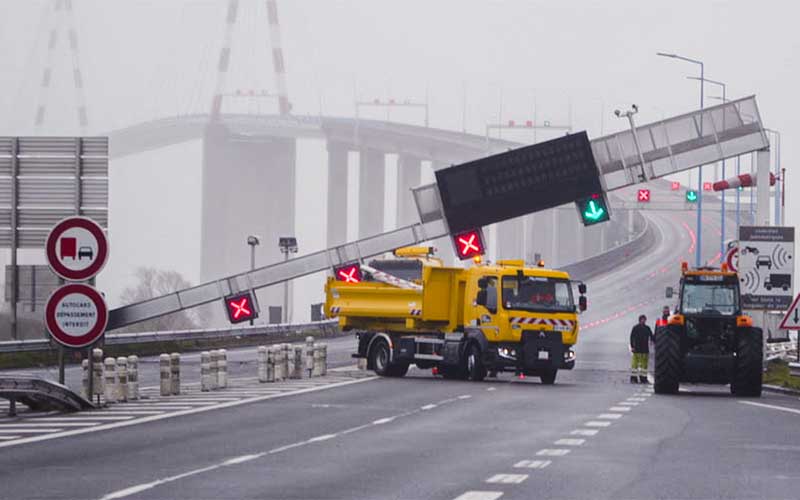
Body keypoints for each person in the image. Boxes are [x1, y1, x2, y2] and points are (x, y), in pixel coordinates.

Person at [630, 314, 654, 384]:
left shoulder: (647, 328)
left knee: (644, 365)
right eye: (642, 320)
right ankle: (634, 378)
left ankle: (643, 378)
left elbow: (651, 336)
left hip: (645, 350)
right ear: (639, 320)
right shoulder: (636, 328)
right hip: (637, 349)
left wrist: (653, 340)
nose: (643, 321)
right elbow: (632, 337)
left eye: (644, 320)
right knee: (635, 364)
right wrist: (632, 346)